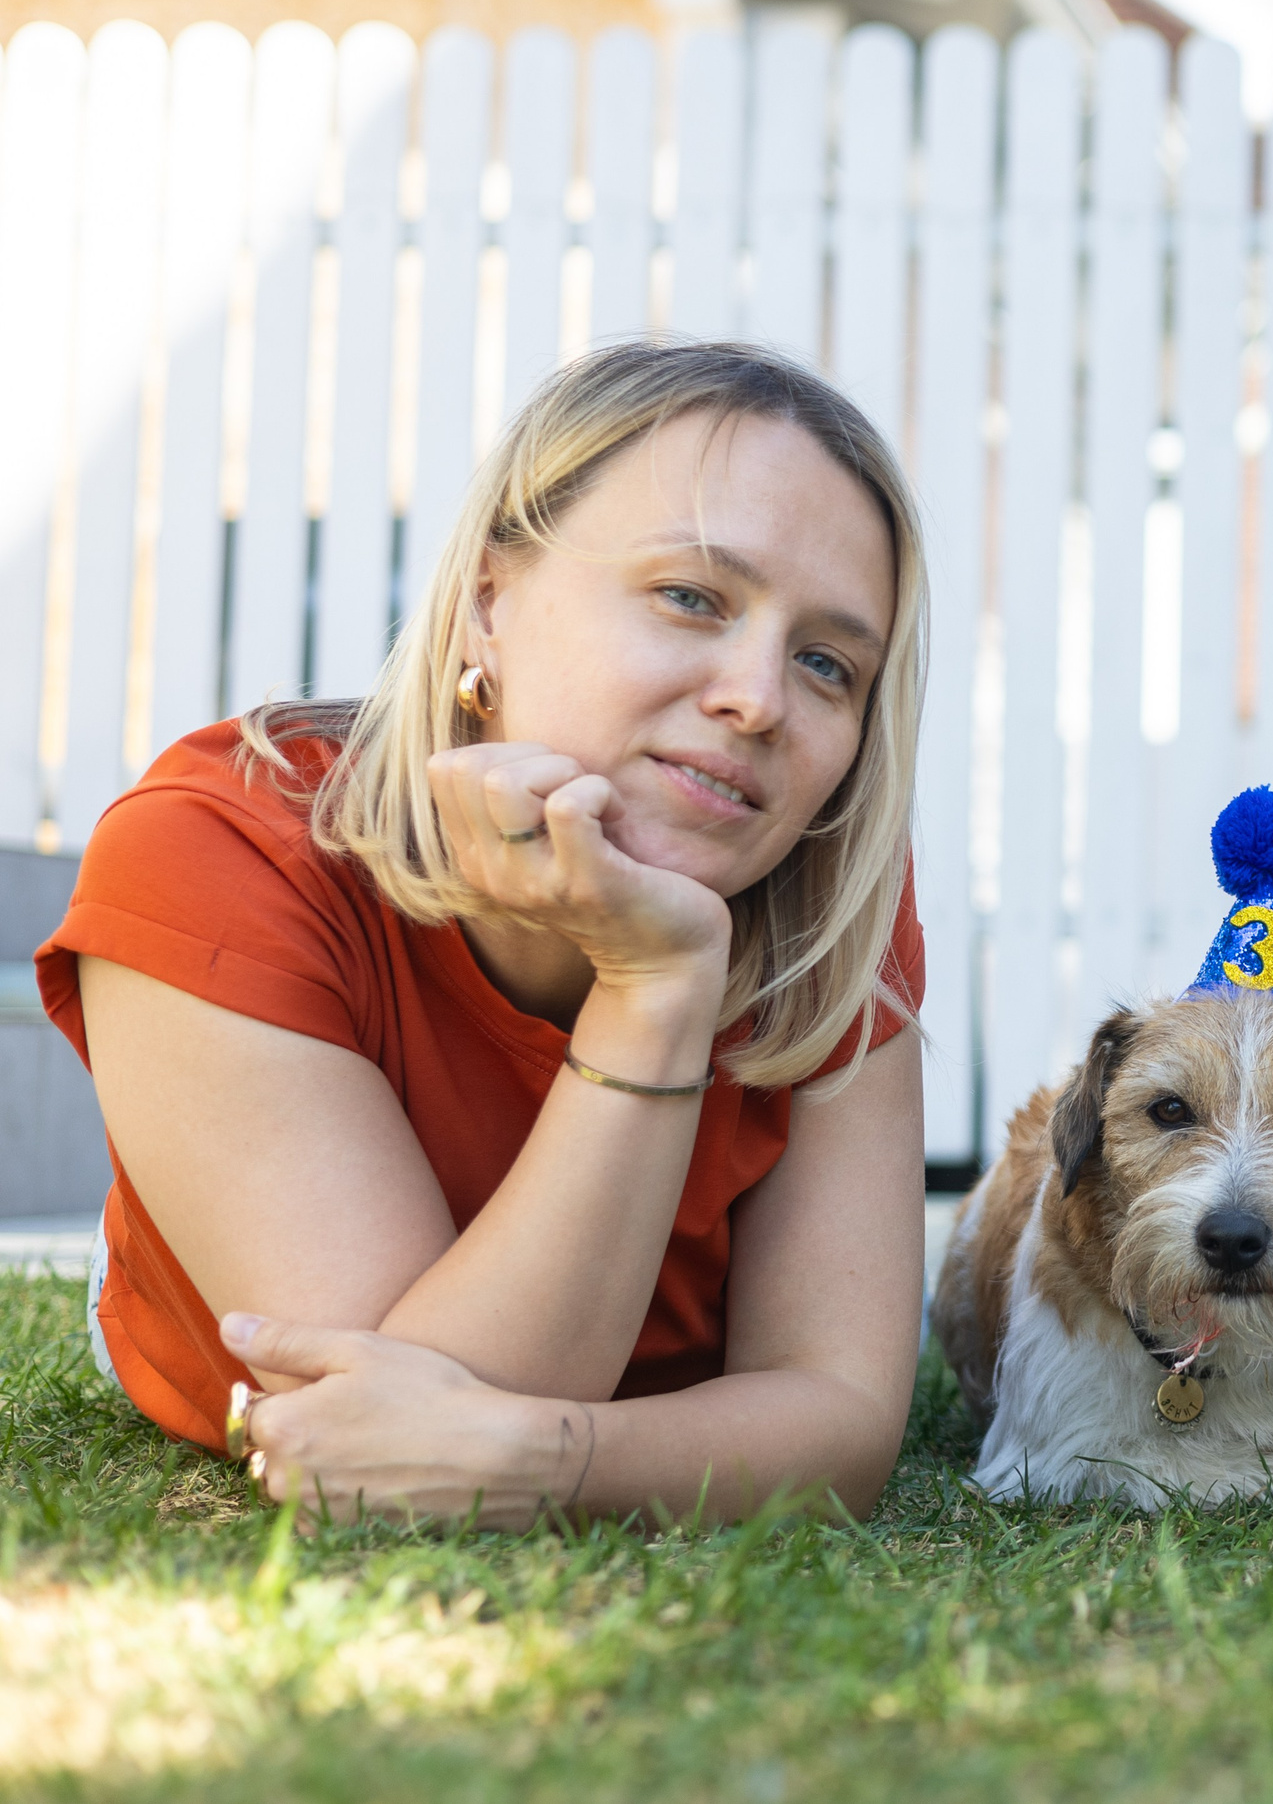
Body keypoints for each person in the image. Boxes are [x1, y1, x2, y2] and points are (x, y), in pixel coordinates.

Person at [37, 339, 931, 1529]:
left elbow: (840, 1420)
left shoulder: (831, 900)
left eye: (827, 664)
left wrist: (544, 1461)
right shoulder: (219, 851)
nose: (759, 698)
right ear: (486, 602)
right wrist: (653, 986)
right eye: (690, 596)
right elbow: (389, 1425)